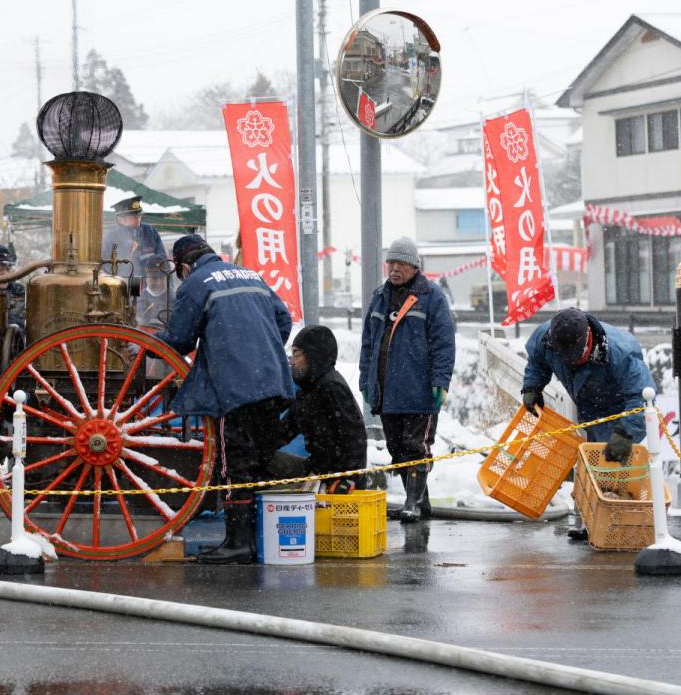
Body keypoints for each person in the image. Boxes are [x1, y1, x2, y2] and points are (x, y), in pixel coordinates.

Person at [154, 234, 295, 564]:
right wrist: (259, 349)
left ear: (184, 266)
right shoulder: (249, 274)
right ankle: (254, 539)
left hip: (235, 385)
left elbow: (179, 340)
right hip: (272, 382)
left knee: (233, 462)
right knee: (257, 457)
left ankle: (238, 544)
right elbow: (283, 321)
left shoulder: (196, 282)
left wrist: (147, 340)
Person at [358, 237, 455, 523]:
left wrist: (441, 381)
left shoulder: (432, 297)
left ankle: (412, 502)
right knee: (397, 449)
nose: (395, 269)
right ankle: (421, 503)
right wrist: (366, 378)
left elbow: (443, 344)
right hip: (387, 392)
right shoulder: (379, 296)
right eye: (391, 263)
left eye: (401, 263)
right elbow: (368, 342)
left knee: (416, 447)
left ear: (414, 267)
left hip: (418, 391)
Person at [522, 307, 653, 460]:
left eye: (577, 357)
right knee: (591, 465)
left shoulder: (621, 354)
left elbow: (643, 398)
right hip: (588, 408)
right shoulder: (546, 337)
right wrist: (532, 386)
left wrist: (626, 434)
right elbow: (537, 361)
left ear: (588, 338)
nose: (573, 362)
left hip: (617, 413)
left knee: (611, 467)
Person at [285, 325, 367, 494]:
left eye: (297, 355)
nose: (292, 362)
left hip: (338, 478)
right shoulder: (306, 391)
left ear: (313, 356)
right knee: (266, 461)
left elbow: (355, 437)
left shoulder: (332, 387)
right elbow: (284, 430)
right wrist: (256, 449)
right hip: (317, 470)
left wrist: (348, 479)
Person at [101, 195, 164, 277]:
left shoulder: (150, 232)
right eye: (132, 217)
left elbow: (163, 261)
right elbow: (106, 268)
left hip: (150, 285)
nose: (138, 219)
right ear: (120, 219)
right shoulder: (110, 238)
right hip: (123, 285)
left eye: (139, 216)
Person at [135, 253, 171, 330]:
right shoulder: (137, 298)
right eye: (154, 278)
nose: (158, 282)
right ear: (147, 277)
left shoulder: (174, 299)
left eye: (161, 278)